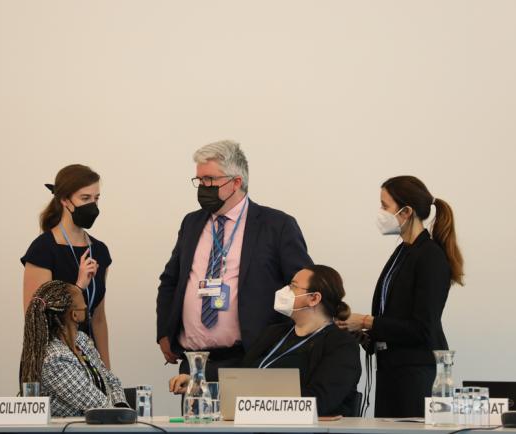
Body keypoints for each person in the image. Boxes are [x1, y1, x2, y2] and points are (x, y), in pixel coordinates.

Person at [156, 140, 313, 381]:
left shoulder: (276, 225)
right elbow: (170, 281)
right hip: (195, 361)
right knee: (194, 419)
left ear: (236, 182)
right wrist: (164, 332)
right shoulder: (192, 223)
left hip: (251, 359)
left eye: (210, 180)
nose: (202, 187)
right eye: (199, 180)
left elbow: (302, 285)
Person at [337, 175, 464, 418]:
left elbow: (422, 327)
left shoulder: (430, 257)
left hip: (415, 373)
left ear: (406, 211)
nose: (380, 212)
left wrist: (365, 320)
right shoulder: (402, 252)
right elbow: (395, 316)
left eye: (385, 206)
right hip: (392, 368)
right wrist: (363, 334)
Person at [169, 265, 361, 417]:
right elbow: (244, 373)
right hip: (256, 423)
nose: (284, 291)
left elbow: (323, 399)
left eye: (293, 286)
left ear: (314, 298)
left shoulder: (340, 344)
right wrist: (197, 380)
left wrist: (262, 399)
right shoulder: (275, 333)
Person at [21, 164, 112, 367]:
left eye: (96, 198)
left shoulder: (100, 251)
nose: (93, 205)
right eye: (85, 198)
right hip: (57, 362)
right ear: (64, 200)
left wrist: (107, 369)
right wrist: (78, 287)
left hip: (90, 361)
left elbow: (98, 318)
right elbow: (36, 318)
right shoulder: (43, 250)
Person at [19, 280, 128, 416]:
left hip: (102, 423)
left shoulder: (81, 341)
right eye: (84, 305)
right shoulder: (55, 359)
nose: (87, 306)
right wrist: (120, 415)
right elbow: (96, 403)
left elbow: (111, 380)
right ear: (74, 314)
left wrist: (120, 407)